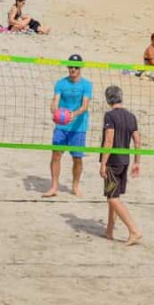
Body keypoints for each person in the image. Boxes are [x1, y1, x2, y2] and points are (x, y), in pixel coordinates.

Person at [44, 55, 94, 198]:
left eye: (76, 67)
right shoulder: (61, 83)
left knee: (77, 158)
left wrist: (74, 114)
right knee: (56, 155)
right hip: (62, 126)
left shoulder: (86, 85)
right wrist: (54, 112)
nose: (73, 69)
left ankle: (75, 186)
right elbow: (55, 102)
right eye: (71, 66)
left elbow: (84, 106)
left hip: (78, 127)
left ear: (80, 68)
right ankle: (54, 186)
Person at [98, 85, 142, 246]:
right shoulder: (131, 116)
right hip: (125, 161)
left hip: (113, 162)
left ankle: (134, 230)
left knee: (112, 198)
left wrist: (103, 163)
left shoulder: (110, 116)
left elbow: (109, 140)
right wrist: (137, 162)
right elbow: (137, 141)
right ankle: (109, 230)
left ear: (107, 99)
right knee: (114, 196)